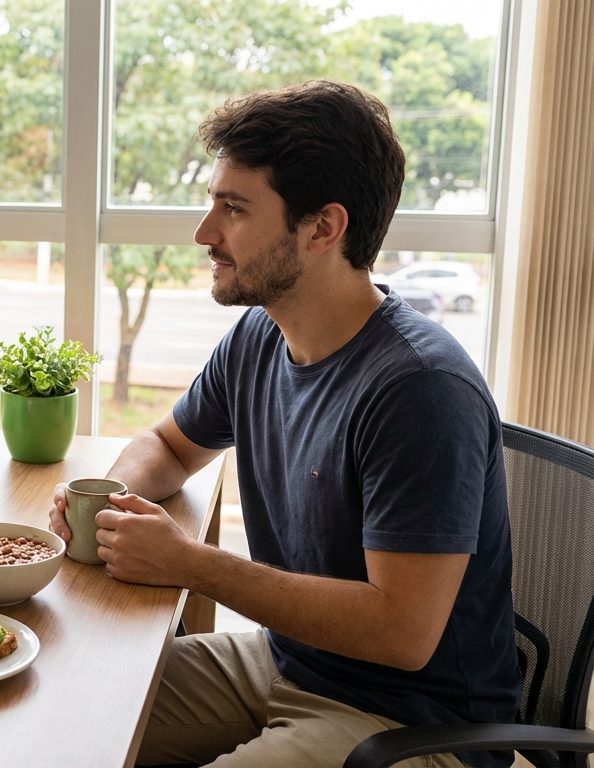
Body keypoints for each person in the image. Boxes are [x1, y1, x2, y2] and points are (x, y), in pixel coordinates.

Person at [49, 80, 520, 767]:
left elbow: (402, 632)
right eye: (213, 203)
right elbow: (168, 447)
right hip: (288, 662)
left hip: (406, 719)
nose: (204, 233)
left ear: (323, 228)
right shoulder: (260, 337)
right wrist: (109, 501)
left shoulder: (420, 389)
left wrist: (190, 564)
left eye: (234, 209)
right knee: (55, 701)